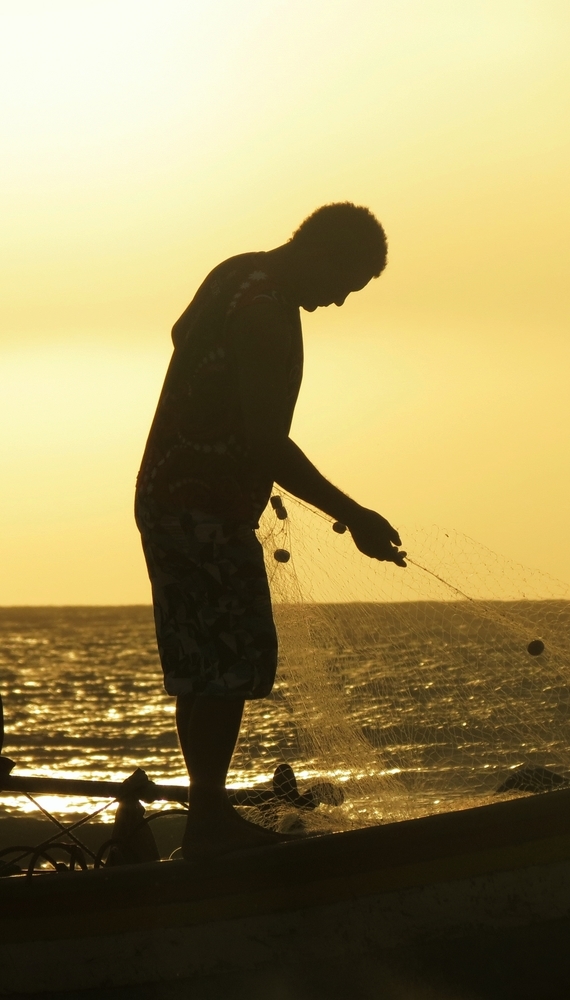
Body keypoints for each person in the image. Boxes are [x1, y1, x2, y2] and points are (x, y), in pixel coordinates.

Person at [135, 203, 405, 860]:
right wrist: (354, 514)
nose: (339, 300)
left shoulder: (239, 275)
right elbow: (264, 442)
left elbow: (182, 335)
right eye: (347, 282)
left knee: (203, 666)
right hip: (202, 509)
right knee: (228, 662)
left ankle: (206, 819)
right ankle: (207, 827)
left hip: (164, 495)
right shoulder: (265, 312)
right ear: (322, 253)